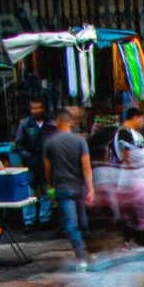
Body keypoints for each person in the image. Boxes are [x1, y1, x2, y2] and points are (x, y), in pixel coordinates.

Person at [41, 108, 92, 264]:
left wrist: (49, 186)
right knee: (82, 218)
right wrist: (91, 188)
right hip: (79, 187)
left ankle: (80, 256)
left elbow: (47, 168)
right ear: (71, 123)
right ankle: (90, 248)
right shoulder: (80, 141)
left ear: (58, 123)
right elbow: (86, 167)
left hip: (62, 187)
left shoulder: (49, 143)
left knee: (70, 222)